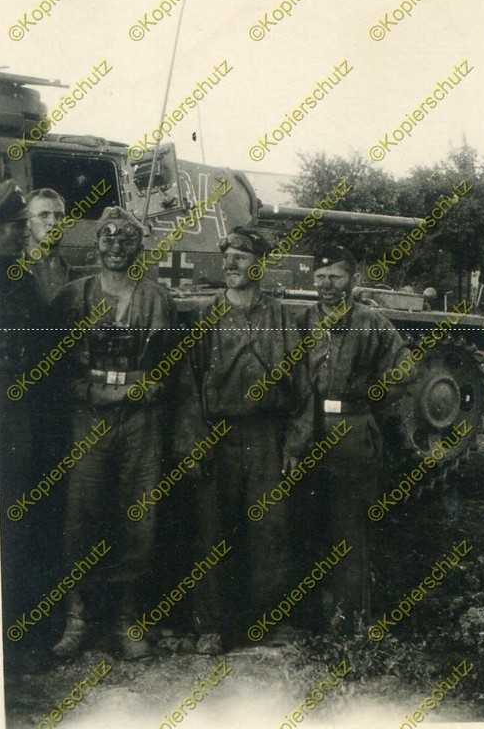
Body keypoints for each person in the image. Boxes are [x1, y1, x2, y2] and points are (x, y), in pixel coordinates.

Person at [50, 206, 177, 659]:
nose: (116, 246)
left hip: (141, 419)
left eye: (126, 239)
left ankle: (129, 619)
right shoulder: (73, 296)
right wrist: (89, 391)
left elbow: (171, 365)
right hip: (90, 415)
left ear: (139, 247)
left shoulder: (156, 298)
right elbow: (51, 369)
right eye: (108, 238)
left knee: (139, 516)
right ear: (96, 243)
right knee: (81, 515)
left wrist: (155, 385)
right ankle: (78, 619)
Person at [179, 226, 312, 653]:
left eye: (242, 255)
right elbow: (188, 387)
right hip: (217, 437)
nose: (232, 263)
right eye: (228, 256)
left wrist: (295, 443)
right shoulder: (207, 317)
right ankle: (210, 626)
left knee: (269, 530)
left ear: (261, 263)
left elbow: (303, 389)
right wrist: (194, 442)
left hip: (267, 436)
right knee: (211, 530)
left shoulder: (282, 318)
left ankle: (267, 620)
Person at [295, 245, 411, 635]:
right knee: (305, 524)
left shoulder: (372, 323)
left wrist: (370, 399)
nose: (327, 285)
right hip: (307, 430)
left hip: (352, 428)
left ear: (352, 280)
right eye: (321, 277)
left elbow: (404, 371)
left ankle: (351, 620)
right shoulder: (301, 321)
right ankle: (307, 618)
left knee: (349, 529)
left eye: (336, 277)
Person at [0, 181, 47, 669]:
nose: (20, 235)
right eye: (13, 228)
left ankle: (17, 640)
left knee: (17, 525)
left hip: (15, 416)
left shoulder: (20, 278)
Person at [24, 188, 81, 305]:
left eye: (59, 215)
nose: (54, 222)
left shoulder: (76, 276)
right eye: (44, 215)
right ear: (27, 221)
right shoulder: (10, 273)